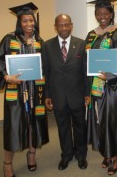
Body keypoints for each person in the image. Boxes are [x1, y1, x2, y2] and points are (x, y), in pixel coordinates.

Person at [0, 2, 49, 177]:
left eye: (31, 20)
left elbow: (45, 66)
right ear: (19, 22)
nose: (29, 24)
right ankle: (7, 164)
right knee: (13, 129)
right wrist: (7, 77)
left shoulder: (40, 41)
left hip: (35, 92)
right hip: (16, 93)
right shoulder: (9, 39)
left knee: (34, 125)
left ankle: (31, 156)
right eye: (25, 21)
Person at [85, 0, 117, 175]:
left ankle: (114, 157)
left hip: (113, 88)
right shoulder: (91, 34)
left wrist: (110, 76)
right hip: (96, 86)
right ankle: (106, 152)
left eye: (105, 13)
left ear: (111, 14)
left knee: (113, 121)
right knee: (99, 120)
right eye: (98, 13)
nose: (101, 17)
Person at [41, 14, 89, 171]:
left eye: (66, 24)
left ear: (71, 25)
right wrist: (47, 95)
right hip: (58, 95)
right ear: (55, 26)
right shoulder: (47, 46)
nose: (63, 28)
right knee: (63, 127)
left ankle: (81, 155)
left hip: (78, 94)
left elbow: (85, 71)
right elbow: (46, 73)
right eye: (60, 25)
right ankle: (66, 155)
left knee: (80, 126)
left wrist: (87, 94)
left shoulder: (81, 44)